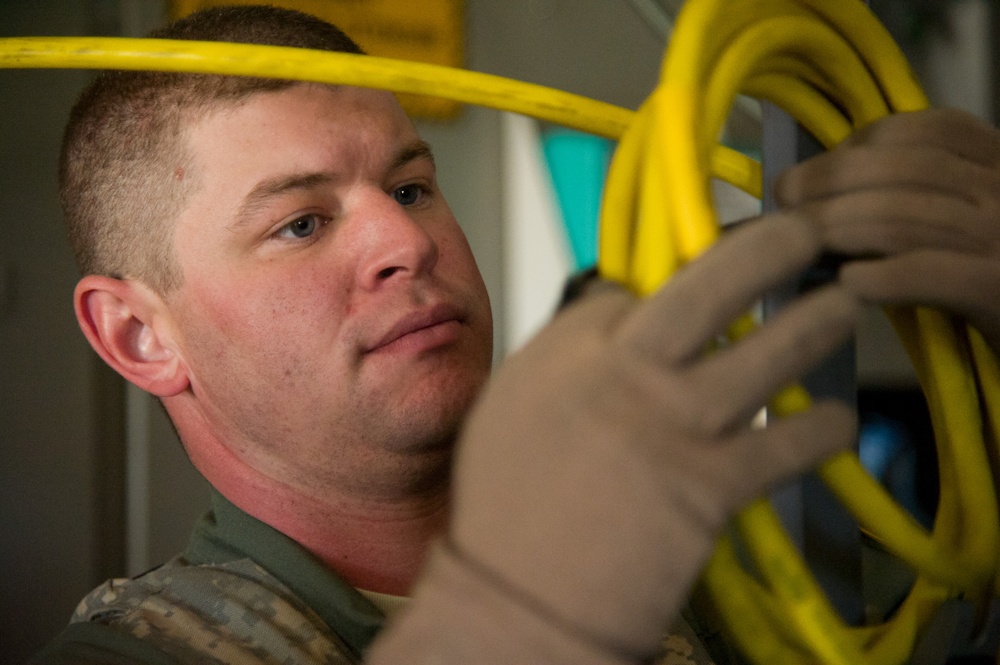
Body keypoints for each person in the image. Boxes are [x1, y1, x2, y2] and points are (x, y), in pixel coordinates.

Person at [31, 4, 1000, 665]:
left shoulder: (716, 561)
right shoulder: (142, 649)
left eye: (412, 187)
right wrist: (507, 614)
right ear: (136, 333)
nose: (406, 240)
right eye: (301, 223)